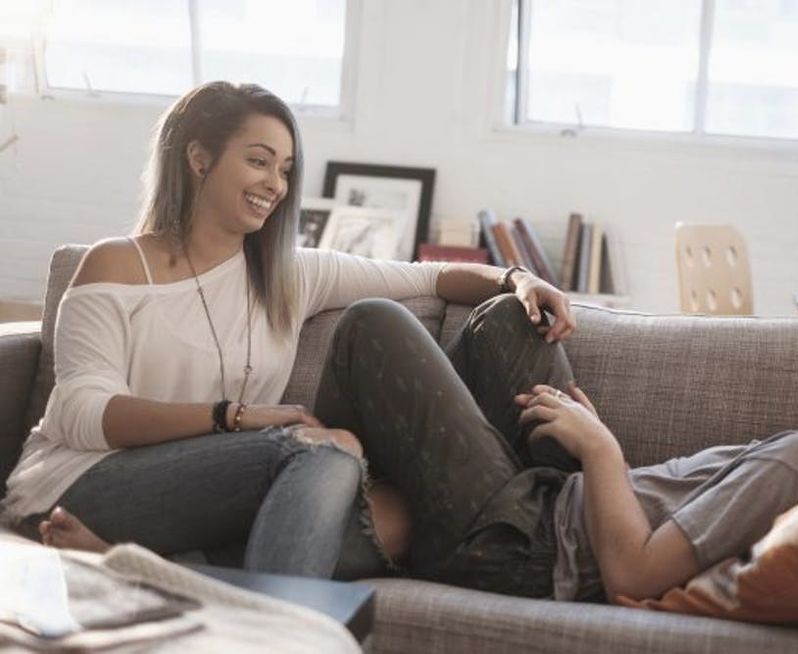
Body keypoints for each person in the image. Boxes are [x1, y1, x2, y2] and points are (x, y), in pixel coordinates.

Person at [37, 296, 798, 605]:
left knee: (372, 329)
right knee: (502, 319)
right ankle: (369, 486)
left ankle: (328, 468)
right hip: (549, 499)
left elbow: (632, 572)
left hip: (532, 541)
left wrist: (602, 450)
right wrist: (586, 444)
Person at [1, 80, 575, 579]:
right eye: (258, 160)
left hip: (222, 495)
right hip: (81, 485)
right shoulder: (118, 264)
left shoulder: (288, 275)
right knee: (327, 452)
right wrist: (236, 418)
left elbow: (431, 278)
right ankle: (261, 626)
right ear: (199, 158)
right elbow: (81, 412)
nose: (275, 183)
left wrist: (515, 278)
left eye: (285, 169)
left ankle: (158, 570)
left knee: (399, 518)